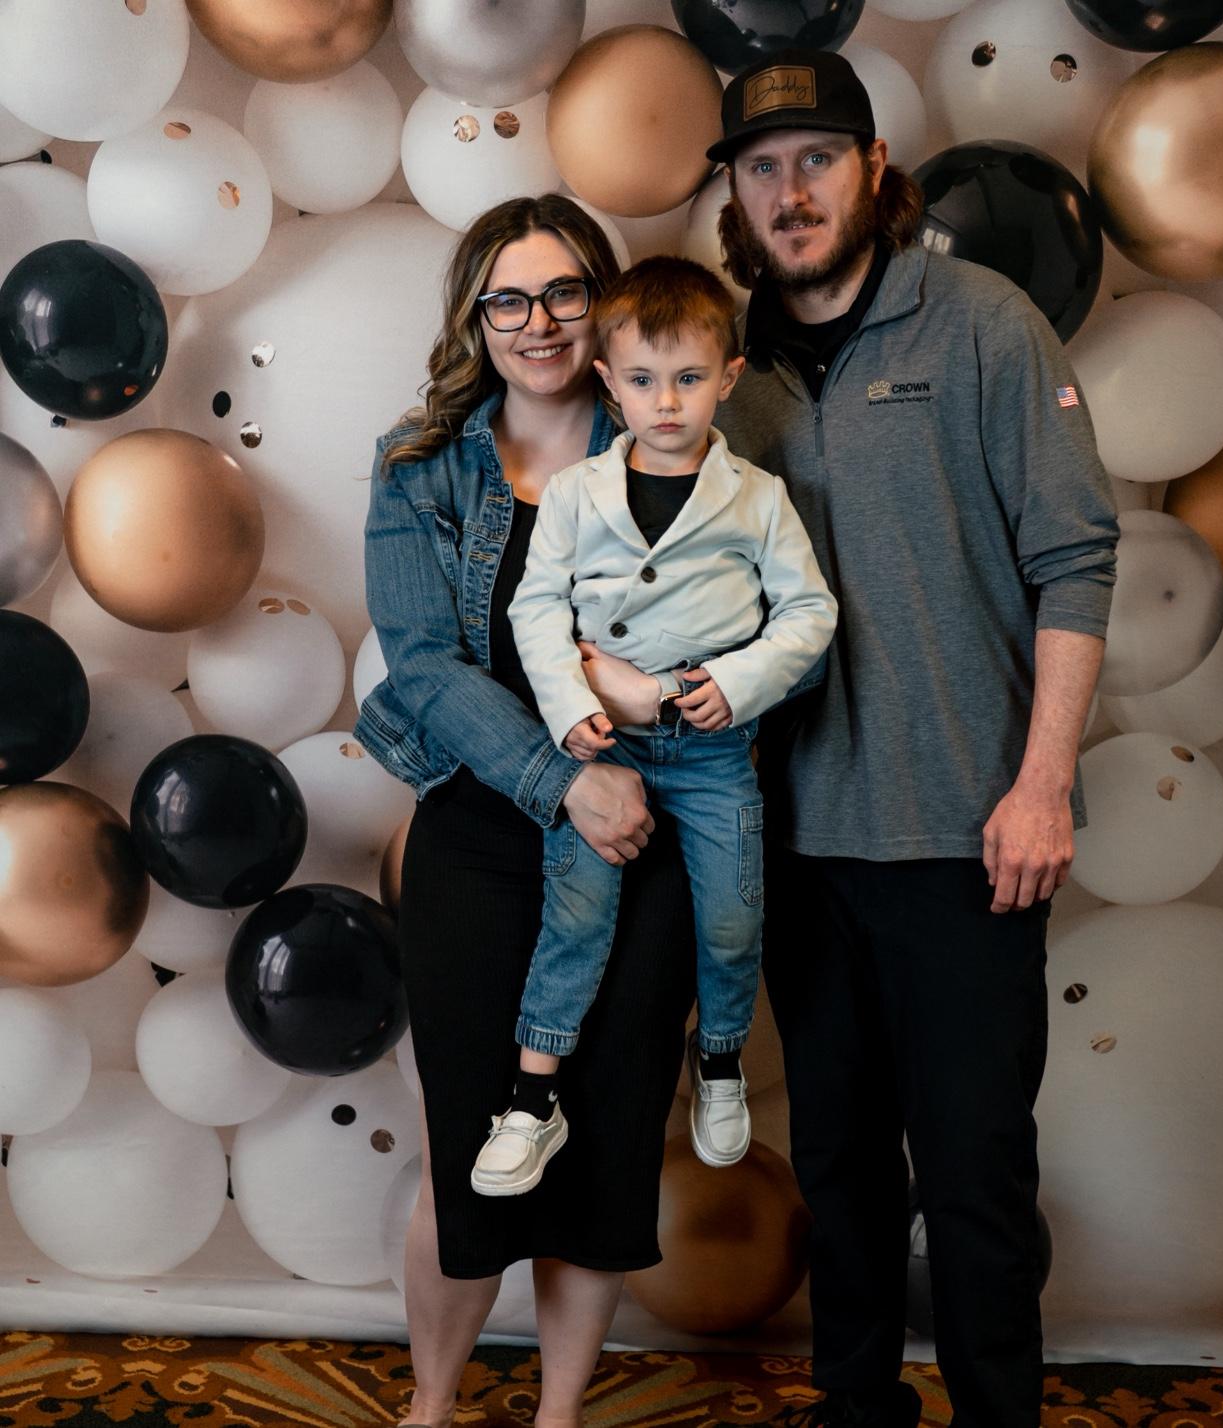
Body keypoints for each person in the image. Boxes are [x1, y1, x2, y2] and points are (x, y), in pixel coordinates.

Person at [708, 48, 1121, 1428]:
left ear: (874, 169)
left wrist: (1042, 786)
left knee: (975, 1175)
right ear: (736, 195)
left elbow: (1076, 557)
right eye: (762, 168)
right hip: (797, 843)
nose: (790, 191)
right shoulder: (723, 370)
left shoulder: (985, 324)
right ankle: (857, 1407)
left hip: (970, 835)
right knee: (838, 1166)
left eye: (817, 159)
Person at [357, 194, 696, 1428]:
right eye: (509, 298)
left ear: (602, 303)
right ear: (476, 317)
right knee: (474, 1153)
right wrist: (566, 781)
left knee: (601, 1147)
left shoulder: (677, 447)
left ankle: (558, 1417)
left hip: (644, 838)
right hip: (484, 840)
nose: (538, 322)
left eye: (563, 293)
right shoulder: (420, 464)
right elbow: (425, 666)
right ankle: (431, 1409)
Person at [467, 256, 836, 1195]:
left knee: (734, 916)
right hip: (605, 744)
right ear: (608, 382)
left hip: (713, 748)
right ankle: (532, 1099)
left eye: (688, 378)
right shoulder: (577, 492)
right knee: (575, 916)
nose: (665, 403)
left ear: (729, 379)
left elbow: (810, 612)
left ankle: (720, 1058)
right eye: (641, 380)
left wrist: (739, 682)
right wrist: (572, 706)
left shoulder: (756, 497)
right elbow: (535, 610)